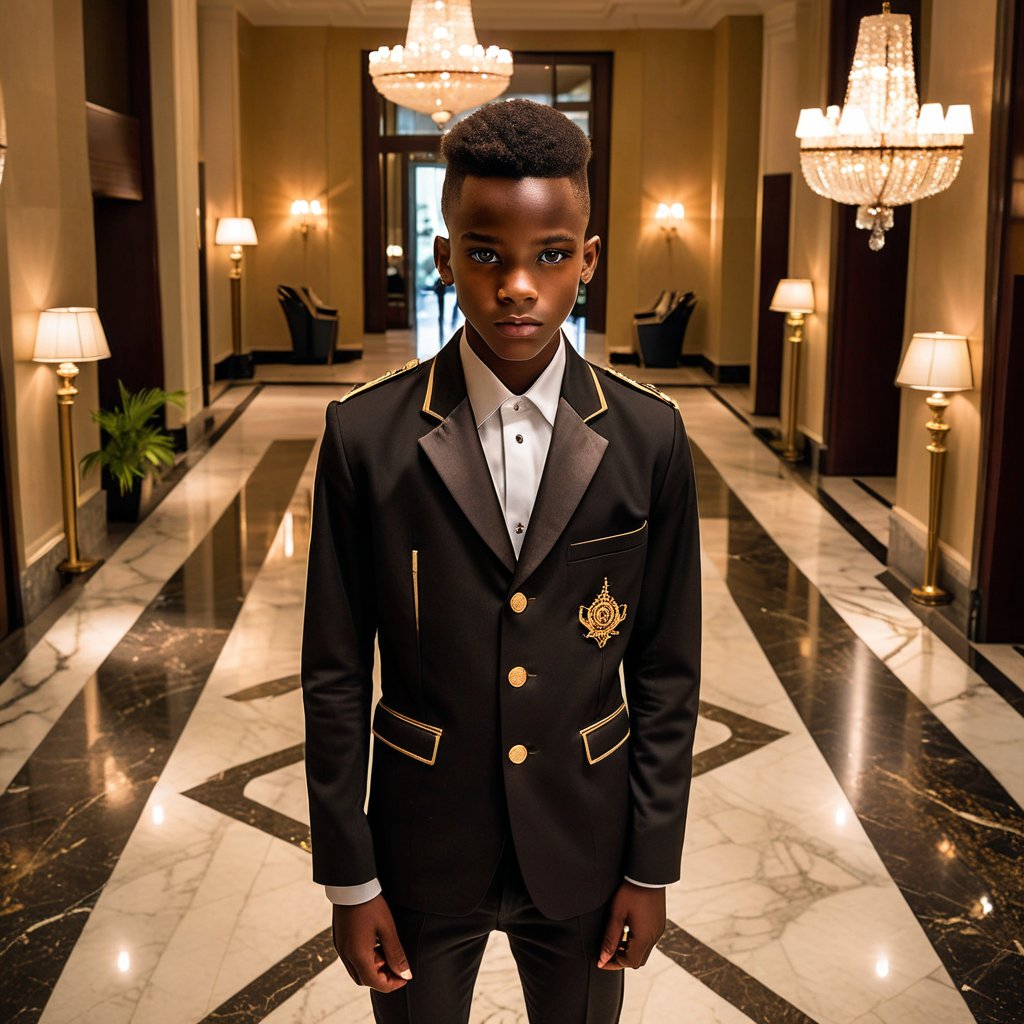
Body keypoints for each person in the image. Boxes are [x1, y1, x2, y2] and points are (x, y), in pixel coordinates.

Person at [301, 99, 702, 1024]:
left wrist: (651, 864)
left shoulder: (650, 438)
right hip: (420, 848)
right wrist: (349, 879)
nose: (517, 285)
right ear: (446, 258)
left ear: (587, 261)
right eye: (485, 253)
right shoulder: (365, 435)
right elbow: (333, 675)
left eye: (551, 254)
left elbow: (666, 673)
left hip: (589, 846)